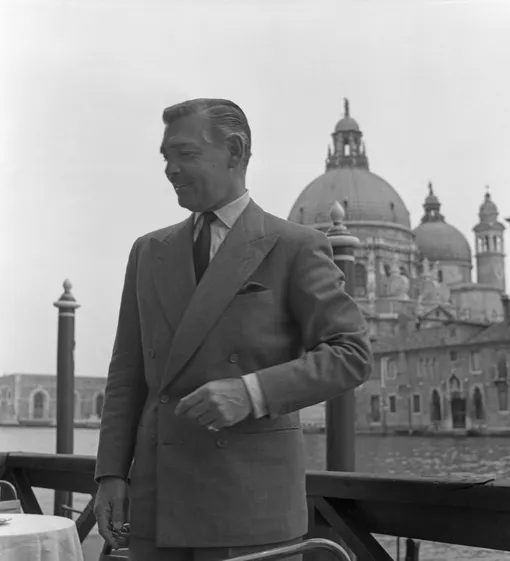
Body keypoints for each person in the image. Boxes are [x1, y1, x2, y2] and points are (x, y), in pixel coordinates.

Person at [93, 98, 372, 561]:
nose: (171, 169)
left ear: (236, 151)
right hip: (155, 499)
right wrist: (110, 476)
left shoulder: (296, 246)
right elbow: (127, 376)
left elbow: (352, 353)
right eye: (166, 157)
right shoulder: (147, 251)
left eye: (185, 154)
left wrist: (252, 391)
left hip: (249, 505)